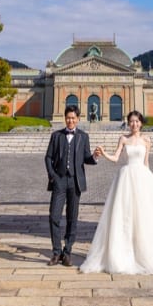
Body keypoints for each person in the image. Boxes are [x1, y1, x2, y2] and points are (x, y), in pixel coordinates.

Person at [79, 110, 153, 274]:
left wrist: (151, 183)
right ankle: (124, 253)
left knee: (145, 216)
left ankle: (146, 253)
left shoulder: (146, 140)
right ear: (128, 123)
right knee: (125, 216)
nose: (134, 124)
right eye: (131, 121)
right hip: (126, 178)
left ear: (141, 123)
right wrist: (103, 153)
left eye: (137, 121)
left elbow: (146, 162)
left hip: (143, 178)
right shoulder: (123, 139)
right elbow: (116, 158)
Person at [45, 104, 101, 267]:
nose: (70, 120)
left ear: (78, 119)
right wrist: (53, 176)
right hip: (59, 181)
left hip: (75, 182)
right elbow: (48, 158)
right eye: (68, 118)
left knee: (72, 218)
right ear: (65, 119)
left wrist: (95, 157)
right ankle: (56, 252)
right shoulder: (56, 136)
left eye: (73, 118)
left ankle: (67, 252)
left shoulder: (83, 136)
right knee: (54, 216)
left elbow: (86, 158)